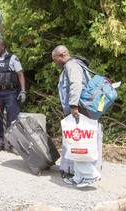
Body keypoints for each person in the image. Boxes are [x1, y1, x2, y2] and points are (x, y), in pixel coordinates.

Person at [52, 45, 101, 187]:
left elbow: (76, 85)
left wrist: (73, 106)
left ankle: (91, 174)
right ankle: (78, 177)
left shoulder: (71, 65)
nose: (55, 63)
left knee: (78, 142)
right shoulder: (74, 64)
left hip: (78, 109)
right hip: (79, 109)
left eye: (56, 59)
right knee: (75, 143)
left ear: (63, 54)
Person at [0, 38, 26, 155]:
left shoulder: (12, 58)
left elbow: (20, 75)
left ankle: (13, 145)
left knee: (13, 119)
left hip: (10, 93)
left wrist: (23, 91)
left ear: (3, 47)